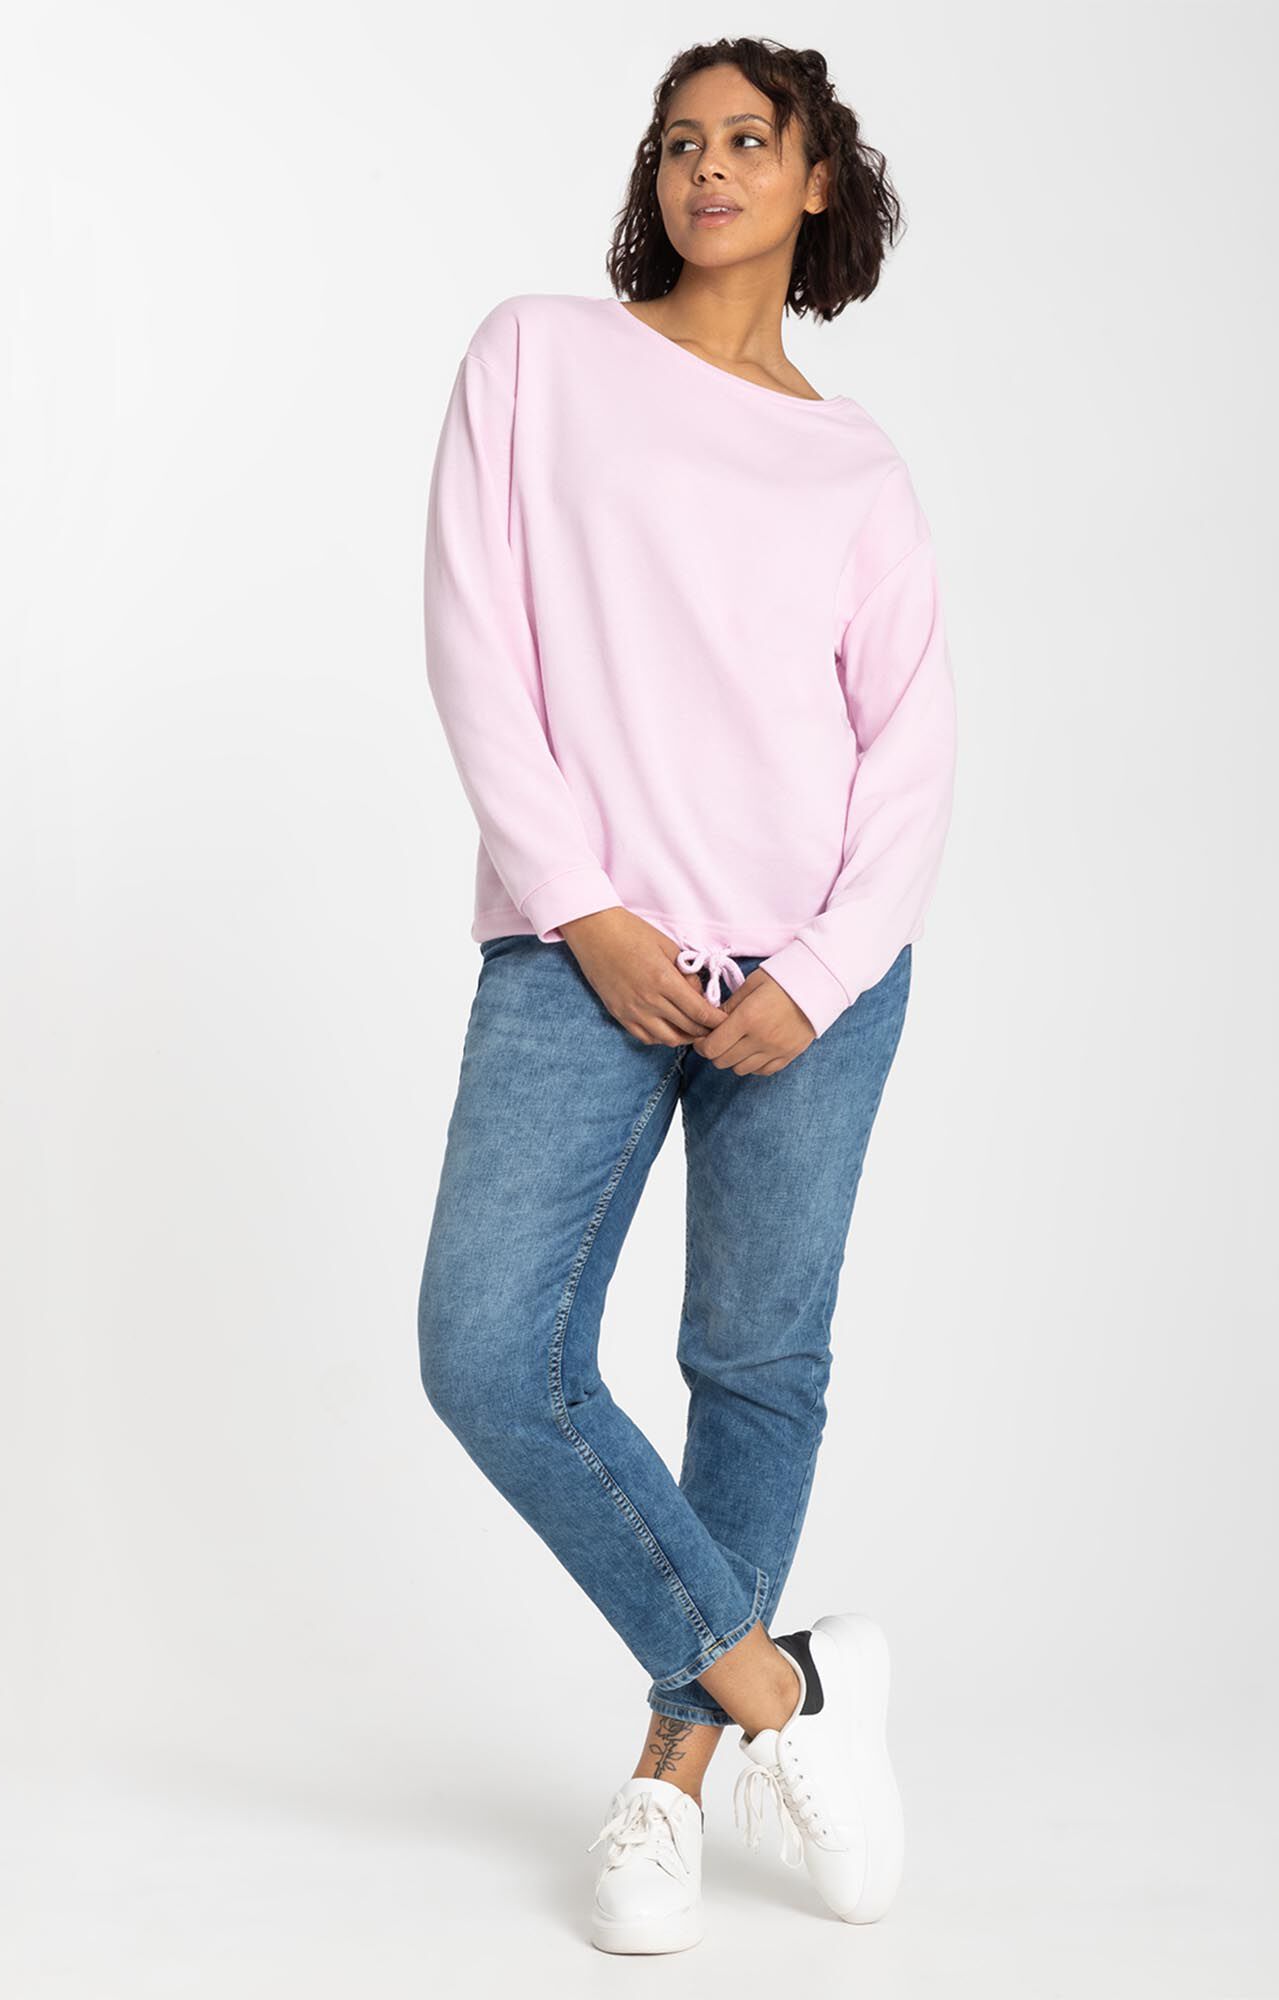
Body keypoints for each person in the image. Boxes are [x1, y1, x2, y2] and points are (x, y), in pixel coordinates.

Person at [416, 34, 957, 1955]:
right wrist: (581, 907)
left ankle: (670, 1779)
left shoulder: (855, 467)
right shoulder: (537, 359)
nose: (706, 167)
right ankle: (787, 1695)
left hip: (814, 978)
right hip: (584, 952)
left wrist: (818, 970)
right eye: (676, 142)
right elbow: (477, 644)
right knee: (491, 1353)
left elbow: (910, 760)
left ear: (817, 180)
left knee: (756, 1368)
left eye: (748, 138)